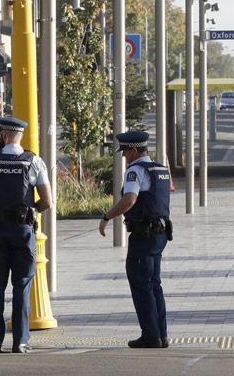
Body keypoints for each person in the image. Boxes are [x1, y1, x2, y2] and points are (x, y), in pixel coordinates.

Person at [0, 117, 53, 354]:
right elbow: (48, 201)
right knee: (22, 285)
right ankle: (20, 342)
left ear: (3, 136)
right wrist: (30, 211)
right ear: (20, 136)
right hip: (23, 233)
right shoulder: (33, 161)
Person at [98, 130, 172, 349]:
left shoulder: (136, 171)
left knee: (141, 284)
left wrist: (106, 217)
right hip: (159, 234)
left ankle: (150, 335)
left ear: (133, 150)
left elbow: (129, 200)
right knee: (154, 284)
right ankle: (161, 334)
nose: (123, 156)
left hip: (143, 235)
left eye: (124, 152)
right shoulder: (160, 169)